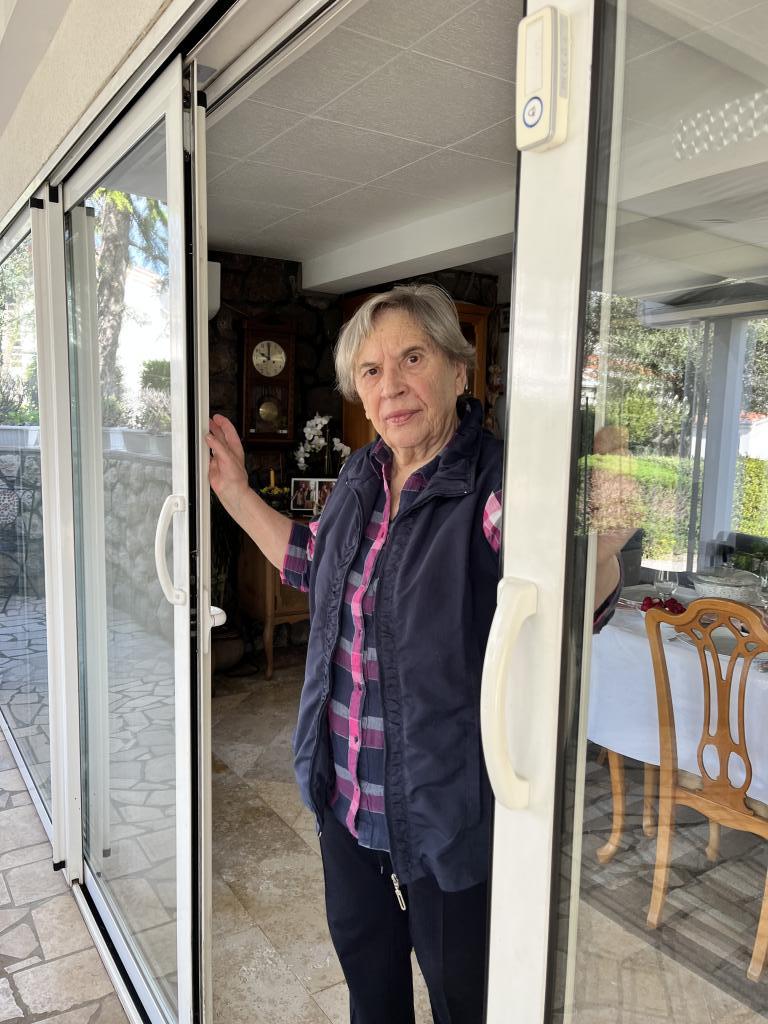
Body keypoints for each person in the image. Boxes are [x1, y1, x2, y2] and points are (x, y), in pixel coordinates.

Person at [207, 284, 623, 1024]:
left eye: (412, 358)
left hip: (444, 819)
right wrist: (235, 492)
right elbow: (311, 563)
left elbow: (567, 593)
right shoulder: (361, 477)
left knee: (464, 1003)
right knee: (373, 997)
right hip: (347, 803)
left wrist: (607, 527)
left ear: (459, 371)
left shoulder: (495, 485)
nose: (390, 385)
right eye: (370, 370)